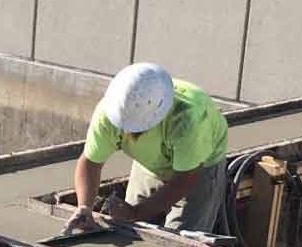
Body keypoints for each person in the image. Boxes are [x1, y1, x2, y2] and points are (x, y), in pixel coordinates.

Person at [66, 63, 230, 234]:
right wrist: (84, 207)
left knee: (182, 244)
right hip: (150, 163)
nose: (126, 132)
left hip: (198, 169)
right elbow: (91, 162)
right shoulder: (110, 113)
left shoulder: (188, 120)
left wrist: (136, 212)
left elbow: (184, 180)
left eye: (134, 129)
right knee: (127, 231)